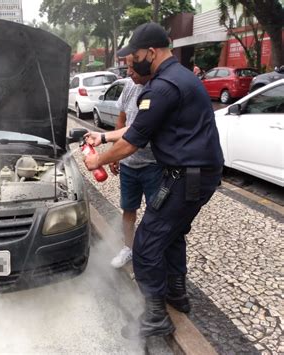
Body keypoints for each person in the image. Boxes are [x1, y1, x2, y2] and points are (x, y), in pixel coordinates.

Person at [83, 22, 223, 337]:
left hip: (187, 176)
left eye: (134, 59)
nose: (131, 66)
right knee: (171, 236)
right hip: (195, 174)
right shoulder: (176, 78)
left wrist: (97, 160)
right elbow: (137, 129)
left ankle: (156, 317)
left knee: (146, 245)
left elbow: (132, 142)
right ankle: (176, 294)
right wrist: (103, 136)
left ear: (150, 51)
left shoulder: (164, 86)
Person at [109, 55, 163, 269]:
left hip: (153, 165)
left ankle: (152, 253)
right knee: (128, 208)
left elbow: (139, 133)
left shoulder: (158, 89)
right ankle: (129, 248)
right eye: (127, 67)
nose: (128, 72)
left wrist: (105, 156)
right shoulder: (130, 87)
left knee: (156, 212)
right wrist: (116, 153)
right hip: (129, 164)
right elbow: (122, 120)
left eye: (132, 67)